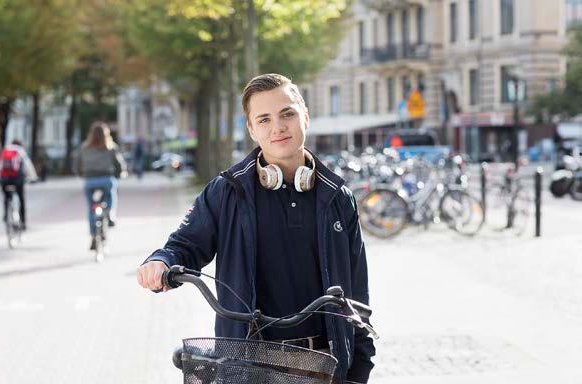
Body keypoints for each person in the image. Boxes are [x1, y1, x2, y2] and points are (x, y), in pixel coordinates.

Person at [137, 74, 375, 383]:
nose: (278, 127)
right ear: (251, 129)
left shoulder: (338, 197)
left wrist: (359, 368)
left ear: (305, 115)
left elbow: (358, 296)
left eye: (287, 113)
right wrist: (161, 261)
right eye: (264, 119)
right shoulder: (227, 191)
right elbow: (184, 245)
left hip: (324, 368)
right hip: (249, 368)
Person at [78, 121, 127, 250]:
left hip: (90, 182)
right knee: (112, 189)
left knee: (91, 208)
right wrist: (120, 173)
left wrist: (82, 174)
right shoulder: (110, 146)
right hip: (106, 179)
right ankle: (110, 214)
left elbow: (77, 164)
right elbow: (119, 165)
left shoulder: (84, 147)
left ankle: (93, 235)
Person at [0, 140, 38, 230]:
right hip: (17, 179)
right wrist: (33, 177)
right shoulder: (20, 150)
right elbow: (28, 165)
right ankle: (22, 222)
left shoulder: (5, 150)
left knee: (7, 197)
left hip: (4, 179)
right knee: (21, 198)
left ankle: (6, 215)